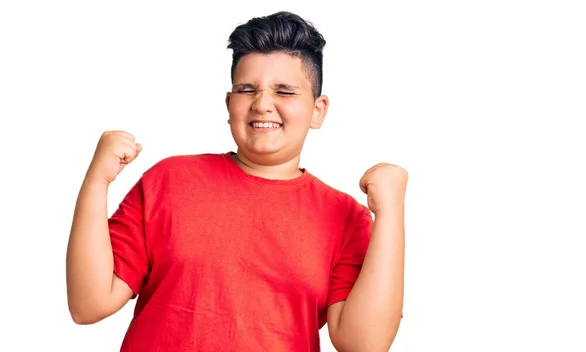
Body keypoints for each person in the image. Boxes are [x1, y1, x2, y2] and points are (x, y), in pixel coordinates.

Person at [66, 11, 407, 351]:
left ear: (318, 110)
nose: (262, 104)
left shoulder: (345, 217)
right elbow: (88, 304)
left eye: (284, 91)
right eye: (247, 90)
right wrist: (97, 182)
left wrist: (391, 215)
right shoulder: (168, 181)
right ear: (229, 104)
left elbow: (363, 344)